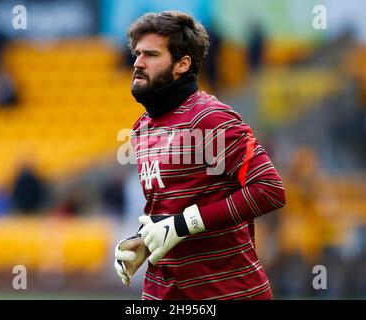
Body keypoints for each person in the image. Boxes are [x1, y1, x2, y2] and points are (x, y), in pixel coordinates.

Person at [114, 11, 286, 300]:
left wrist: (184, 224)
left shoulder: (210, 118)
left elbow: (270, 190)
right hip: (160, 292)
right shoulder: (142, 127)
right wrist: (145, 243)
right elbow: (171, 206)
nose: (138, 63)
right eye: (137, 54)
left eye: (151, 55)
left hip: (228, 293)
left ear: (182, 64)